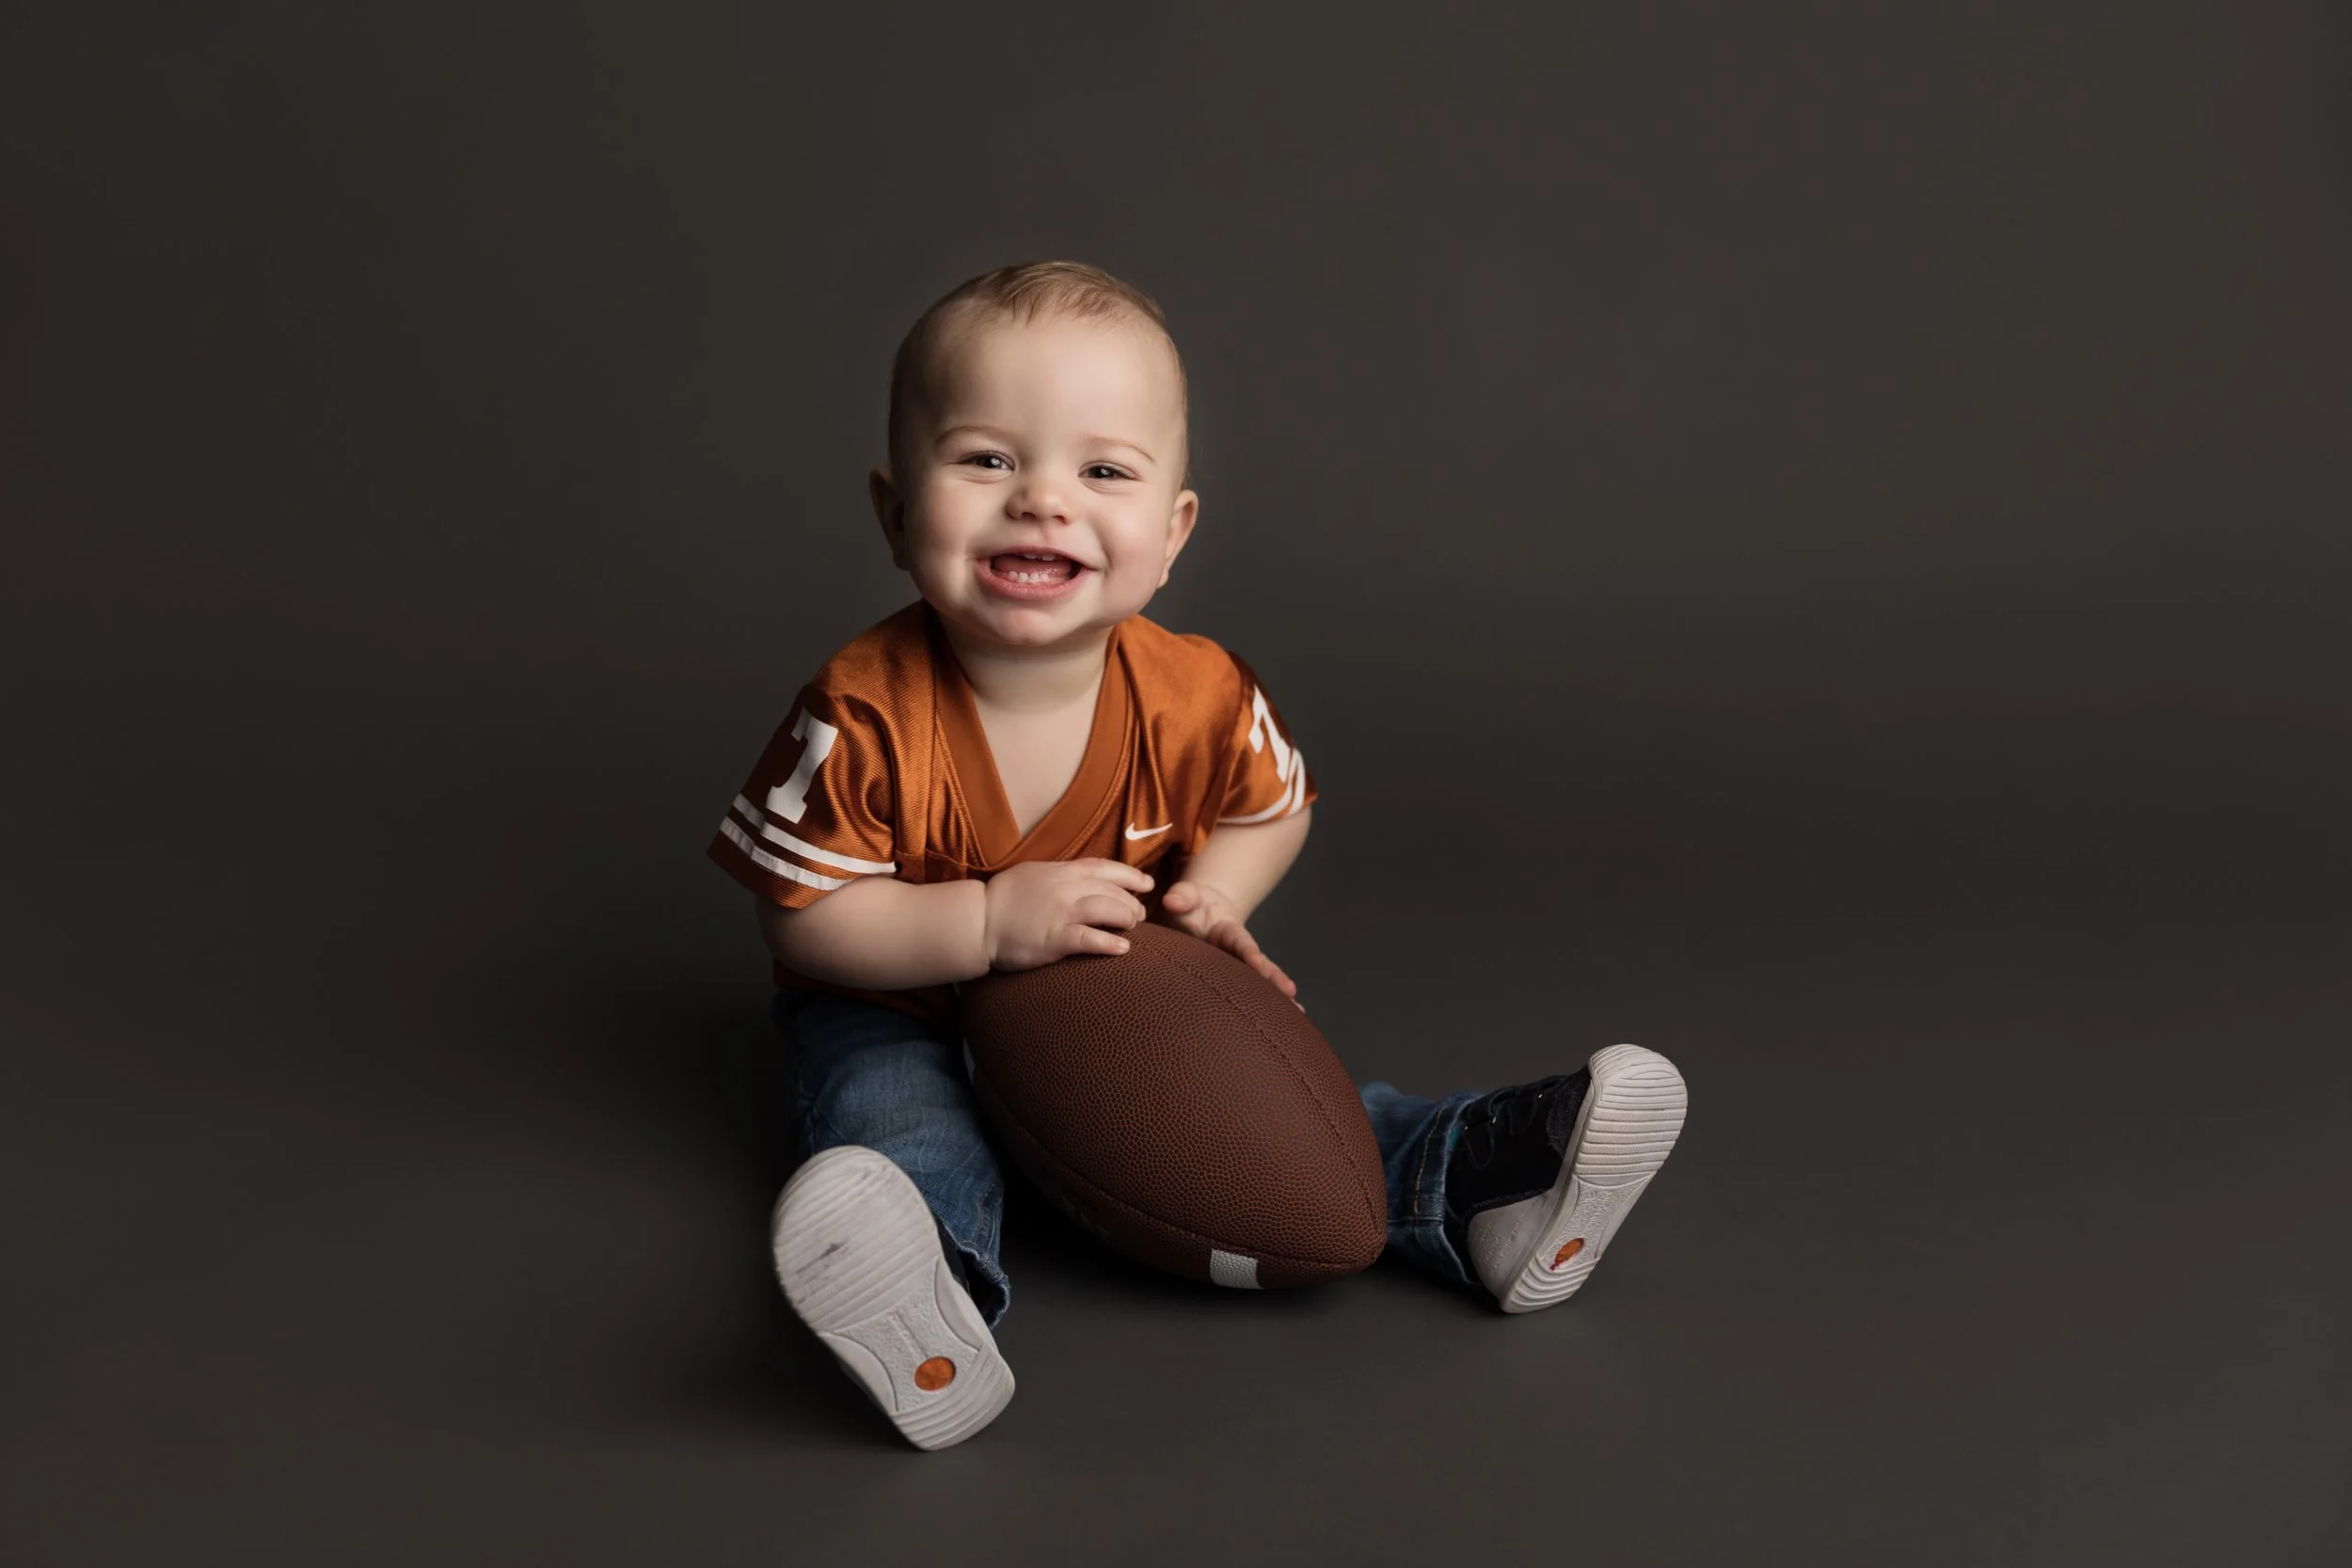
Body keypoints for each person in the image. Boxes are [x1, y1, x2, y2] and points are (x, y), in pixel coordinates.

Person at [707, 260, 1687, 1449]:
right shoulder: (860, 710)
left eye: (1102, 471)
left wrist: (1210, 894)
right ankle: (930, 1306)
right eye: (986, 460)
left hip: (1117, 986)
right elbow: (802, 914)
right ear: (893, 509)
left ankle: (1480, 1182)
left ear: (1170, 533)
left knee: (1264, 1119)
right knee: (899, 1122)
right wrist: (980, 925)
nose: (1042, 502)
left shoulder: (1195, 691)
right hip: (899, 997)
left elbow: (1275, 806)